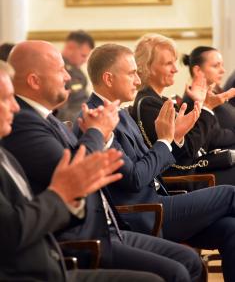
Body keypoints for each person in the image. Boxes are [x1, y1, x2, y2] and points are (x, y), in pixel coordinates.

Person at [2, 41, 204, 282]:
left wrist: (170, 138)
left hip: (113, 225)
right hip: (90, 235)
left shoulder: (55, 120)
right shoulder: (26, 123)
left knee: (194, 258)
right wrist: (98, 133)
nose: (68, 76)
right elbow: (86, 174)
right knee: (179, 267)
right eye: (60, 69)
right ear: (34, 81)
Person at [74, 43, 235, 282]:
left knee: (231, 229)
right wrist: (165, 140)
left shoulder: (120, 112)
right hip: (144, 213)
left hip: (161, 200)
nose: (138, 81)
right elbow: (135, 178)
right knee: (231, 194)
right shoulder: (95, 120)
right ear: (108, 78)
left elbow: (157, 163)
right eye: (131, 73)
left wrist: (174, 138)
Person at [131, 34, 235, 185]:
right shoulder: (148, 104)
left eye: (174, 63)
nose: (175, 70)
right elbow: (185, 153)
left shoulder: (159, 101)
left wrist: (200, 105)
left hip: (196, 171)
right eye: (168, 64)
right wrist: (206, 108)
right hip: (188, 178)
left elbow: (199, 144)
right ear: (147, 67)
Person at [182, 46, 235, 132]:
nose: (223, 70)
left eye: (222, 65)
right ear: (198, 70)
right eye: (216, 66)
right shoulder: (193, 101)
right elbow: (212, 137)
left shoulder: (214, 93)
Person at [55, 30, 95, 122]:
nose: (85, 61)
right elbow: (59, 112)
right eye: (83, 55)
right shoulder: (55, 70)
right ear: (71, 47)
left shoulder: (79, 73)